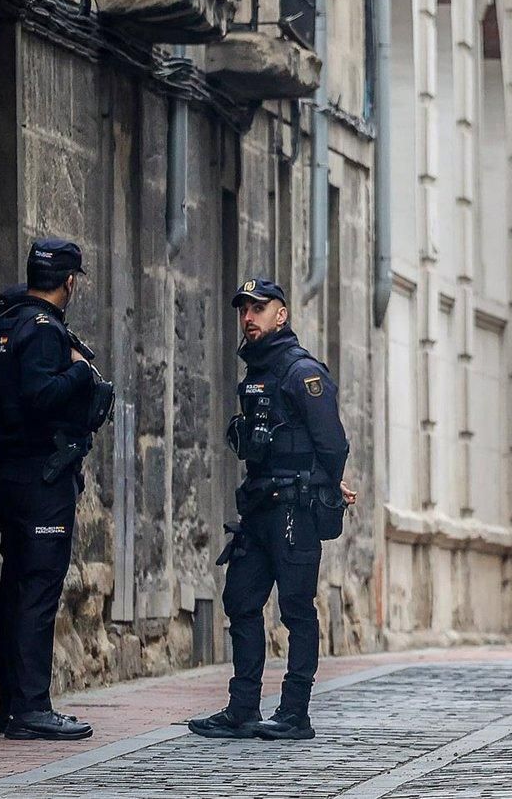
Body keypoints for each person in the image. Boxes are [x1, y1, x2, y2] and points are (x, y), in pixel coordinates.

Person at [190, 278, 353, 742]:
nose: (249, 317)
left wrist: (325, 484)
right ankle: (242, 709)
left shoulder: (302, 372)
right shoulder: (257, 372)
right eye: (244, 309)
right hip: (259, 509)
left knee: (297, 610)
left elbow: (333, 443)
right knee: (240, 601)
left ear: (281, 315)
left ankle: (294, 713)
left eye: (259, 309)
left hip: (293, 511)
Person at [0, 239, 113, 740]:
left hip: (15, 474)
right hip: (42, 477)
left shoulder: (7, 323)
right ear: (70, 281)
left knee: (18, 586)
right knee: (37, 588)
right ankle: (32, 706)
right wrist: (80, 370)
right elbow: (40, 396)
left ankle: (13, 703)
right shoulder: (42, 331)